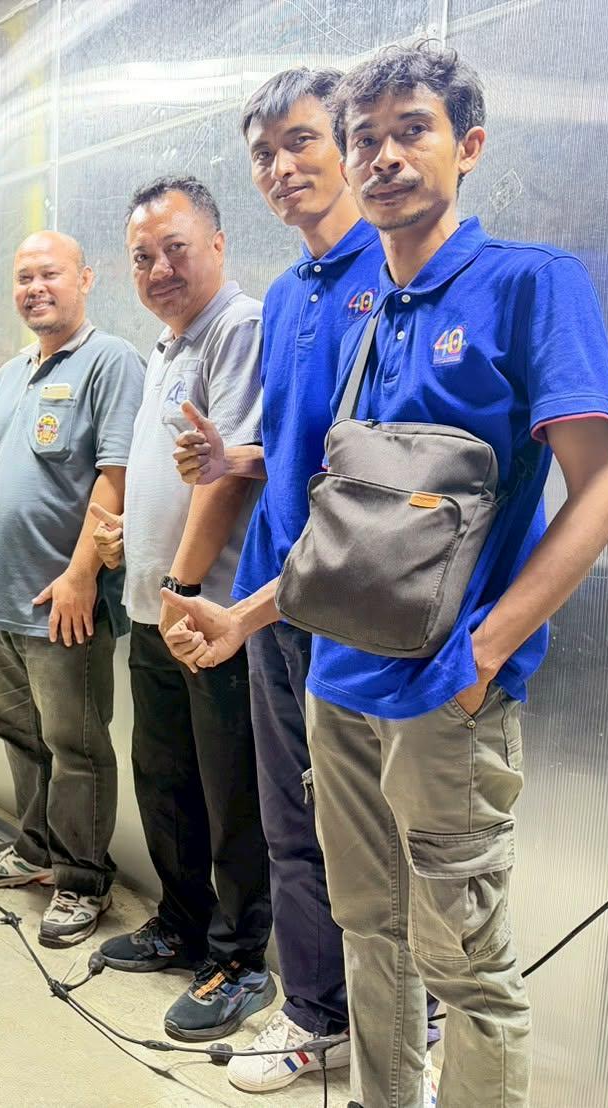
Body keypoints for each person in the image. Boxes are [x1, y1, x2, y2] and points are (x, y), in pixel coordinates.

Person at [163, 42, 608, 1108]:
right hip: (339, 684)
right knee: (371, 934)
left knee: (466, 968)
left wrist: (484, 653)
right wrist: (242, 616)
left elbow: (599, 497)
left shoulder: (529, 284)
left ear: (467, 145)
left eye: (410, 130)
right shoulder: (364, 310)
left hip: (444, 700)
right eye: (364, 137)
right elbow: (356, 533)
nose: (382, 156)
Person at [170, 68, 387, 1094]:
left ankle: (404, 1026)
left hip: (352, 610)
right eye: (263, 153)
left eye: (302, 141)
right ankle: (313, 1015)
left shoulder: (392, 274)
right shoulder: (290, 294)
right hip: (273, 602)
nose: (282, 166)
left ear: (347, 144)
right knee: (290, 828)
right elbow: (301, 449)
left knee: (373, 837)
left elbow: (378, 478)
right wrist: (235, 460)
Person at [88, 177, 272, 1043]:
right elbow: (177, 474)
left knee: (232, 793)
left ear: (218, 245)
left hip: (210, 613)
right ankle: (181, 924)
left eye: (175, 249)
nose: (158, 269)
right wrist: (133, 535)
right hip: (156, 607)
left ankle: (240, 959)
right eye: (142, 257)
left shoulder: (238, 328)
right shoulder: (165, 346)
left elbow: (230, 476)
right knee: (165, 780)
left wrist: (190, 591)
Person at [0, 231, 145, 947]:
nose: (35, 288)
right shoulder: (13, 372)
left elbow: (116, 476)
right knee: (18, 731)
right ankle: (36, 850)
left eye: (49, 273)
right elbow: (9, 471)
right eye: (23, 277)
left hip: (62, 599)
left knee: (74, 745)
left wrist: (82, 576)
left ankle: (83, 880)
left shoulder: (110, 360)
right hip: (1, 594)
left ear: (85, 278)